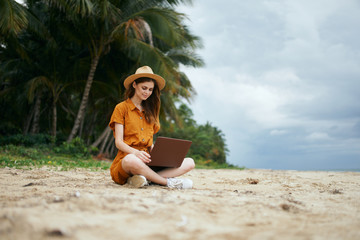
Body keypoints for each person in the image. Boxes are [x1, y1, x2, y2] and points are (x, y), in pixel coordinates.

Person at [109, 66, 195, 189]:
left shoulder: (151, 112)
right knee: (131, 160)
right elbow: (118, 142)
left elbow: (149, 143)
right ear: (134, 85)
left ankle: (145, 178)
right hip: (127, 160)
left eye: (150, 89)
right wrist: (135, 152)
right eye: (144, 88)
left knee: (190, 162)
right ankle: (167, 182)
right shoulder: (121, 108)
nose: (147, 92)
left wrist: (162, 156)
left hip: (148, 161)